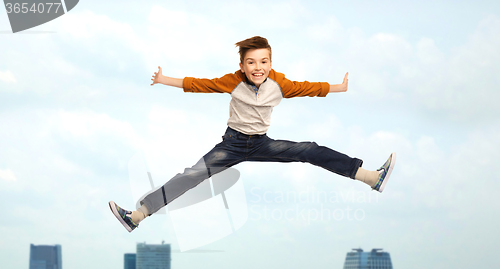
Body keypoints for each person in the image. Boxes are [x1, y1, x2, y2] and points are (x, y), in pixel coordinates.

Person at [109, 36, 396, 233]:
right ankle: (138, 216)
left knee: (309, 149)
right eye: (251, 63)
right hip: (232, 145)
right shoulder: (232, 82)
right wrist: (163, 79)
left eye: (263, 62)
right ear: (242, 66)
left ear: (270, 63)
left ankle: (371, 177)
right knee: (192, 174)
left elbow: (307, 88)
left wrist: (338, 87)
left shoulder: (279, 84)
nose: (257, 68)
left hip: (262, 144)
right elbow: (198, 84)